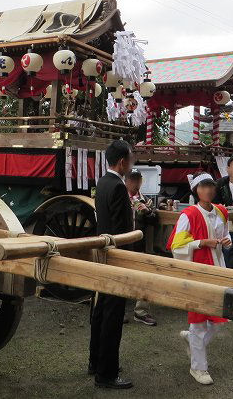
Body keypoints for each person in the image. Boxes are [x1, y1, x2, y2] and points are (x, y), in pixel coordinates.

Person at [167, 172, 231, 385]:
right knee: (198, 321)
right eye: (204, 187)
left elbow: (226, 234)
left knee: (217, 317)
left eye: (211, 186)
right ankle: (198, 368)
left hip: (218, 268)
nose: (209, 190)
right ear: (197, 190)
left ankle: (192, 340)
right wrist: (201, 243)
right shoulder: (189, 214)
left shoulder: (221, 211)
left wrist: (226, 240)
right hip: (197, 271)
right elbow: (176, 245)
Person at [88, 139, 134, 389]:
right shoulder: (117, 186)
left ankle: (96, 361)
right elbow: (121, 229)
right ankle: (106, 373)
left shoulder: (103, 182)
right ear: (121, 161)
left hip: (104, 253)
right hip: (116, 256)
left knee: (101, 308)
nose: (132, 162)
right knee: (112, 314)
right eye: (131, 158)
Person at [125, 169, 158, 326]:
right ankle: (118, 312)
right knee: (121, 276)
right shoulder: (121, 197)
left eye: (138, 180)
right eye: (132, 180)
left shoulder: (144, 199)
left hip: (142, 243)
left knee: (145, 276)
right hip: (124, 243)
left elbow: (154, 218)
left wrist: (147, 211)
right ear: (126, 181)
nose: (136, 183)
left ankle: (141, 312)